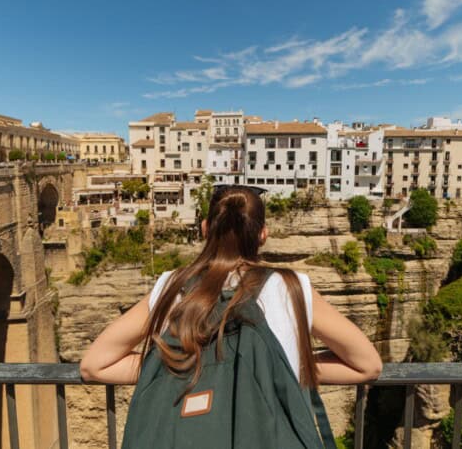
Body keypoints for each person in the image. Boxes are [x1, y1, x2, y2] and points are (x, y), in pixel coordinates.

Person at [80, 185, 382, 443]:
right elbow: (367, 366)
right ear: (263, 234)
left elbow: (94, 366)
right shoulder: (291, 288)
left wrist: (177, 365)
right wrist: (287, 368)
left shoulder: (173, 287)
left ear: (204, 229)